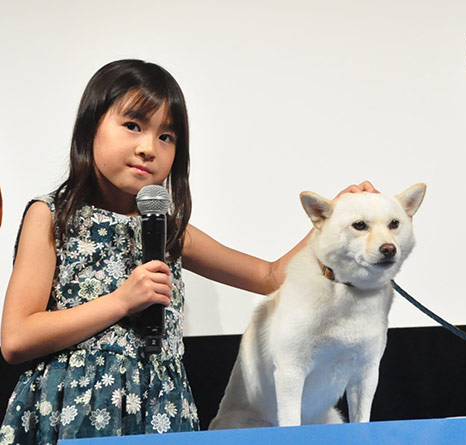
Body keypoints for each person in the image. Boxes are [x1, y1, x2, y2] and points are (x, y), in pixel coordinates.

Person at [0, 59, 375, 443]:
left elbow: (269, 277)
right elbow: (16, 338)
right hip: (72, 412)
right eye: (133, 126)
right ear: (90, 125)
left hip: (161, 411)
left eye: (167, 137)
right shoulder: (52, 216)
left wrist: (335, 216)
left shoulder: (171, 229)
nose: (148, 148)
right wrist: (121, 301)